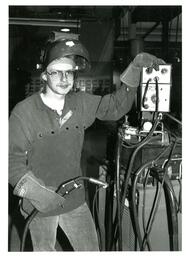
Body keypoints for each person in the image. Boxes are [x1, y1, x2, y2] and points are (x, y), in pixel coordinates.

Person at [9, 36, 165, 251]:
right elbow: (10, 161)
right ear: (45, 75)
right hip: (40, 202)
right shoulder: (24, 112)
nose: (64, 78)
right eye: (57, 71)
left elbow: (114, 107)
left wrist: (135, 68)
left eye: (69, 71)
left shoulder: (80, 103)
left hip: (74, 200)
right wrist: (39, 194)